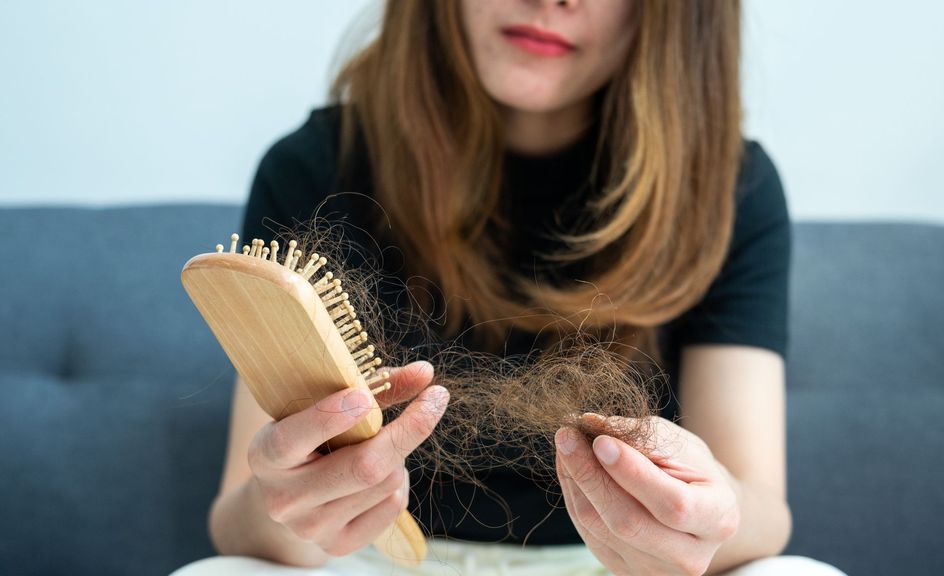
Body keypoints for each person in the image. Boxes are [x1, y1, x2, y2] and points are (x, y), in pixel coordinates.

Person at [174, 1, 847, 574]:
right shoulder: (314, 166)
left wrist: (711, 511)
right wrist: (289, 502)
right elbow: (238, 523)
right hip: (370, 559)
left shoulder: (730, 189)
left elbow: (763, 511)